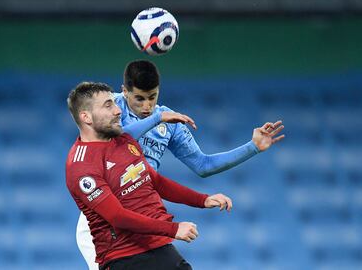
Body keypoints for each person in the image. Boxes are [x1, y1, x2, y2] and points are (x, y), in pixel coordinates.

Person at [76, 60, 285, 270]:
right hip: (106, 220)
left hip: (143, 214)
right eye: (139, 98)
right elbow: (119, 139)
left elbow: (203, 164)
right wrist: (157, 118)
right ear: (124, 92)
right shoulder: (112, 109)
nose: (147, 106)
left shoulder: (167, 120)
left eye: (152, 97)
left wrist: (253, 147)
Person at [66, 82, 233, 270]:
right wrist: (174, 229)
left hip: (156, 246)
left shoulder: (123, 141)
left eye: (115, 103)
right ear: (86, 117)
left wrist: (202, 200)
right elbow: (117, 216)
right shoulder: (82, 165)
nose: (118, 110)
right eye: (108, 105)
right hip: (123, 256)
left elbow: (154, 181)